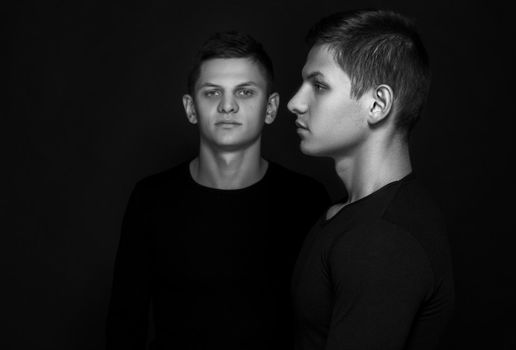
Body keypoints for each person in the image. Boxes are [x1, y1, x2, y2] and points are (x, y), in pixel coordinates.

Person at [105, 31, 330, 350]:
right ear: (191, 107)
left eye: (245, 92)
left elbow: (322, 324)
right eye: (212, 93)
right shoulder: (151, 199)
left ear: (271, 107)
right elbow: (124, 324)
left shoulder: (306, 200)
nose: (228, 106)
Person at [287, 9, 455, 350]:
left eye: (318, 85)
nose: (294, 102)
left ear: (378, 104)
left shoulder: (382, 241)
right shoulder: (351, 214)